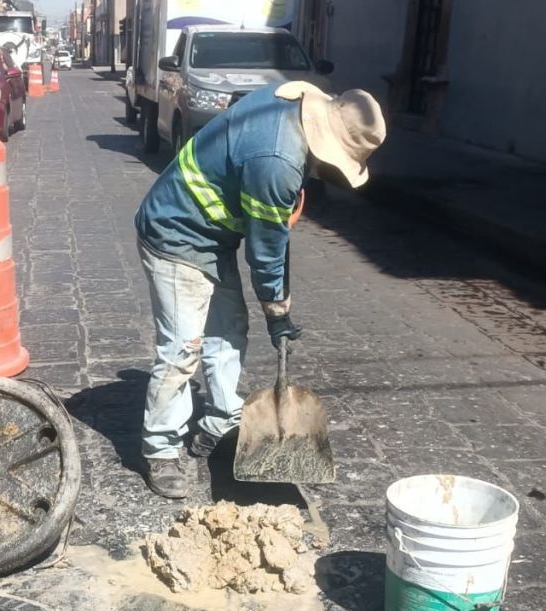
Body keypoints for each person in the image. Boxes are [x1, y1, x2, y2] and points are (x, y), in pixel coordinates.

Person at [135, 79, 387, 498]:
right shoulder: (277, 162)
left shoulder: (289, 102)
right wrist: (278, 313)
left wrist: (273, 221)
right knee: (184, 346)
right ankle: (160, 449)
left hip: (213, 236)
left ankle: (219, 422)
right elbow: (266, 252)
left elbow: (270, 229)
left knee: (229, 330)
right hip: (174, 231)